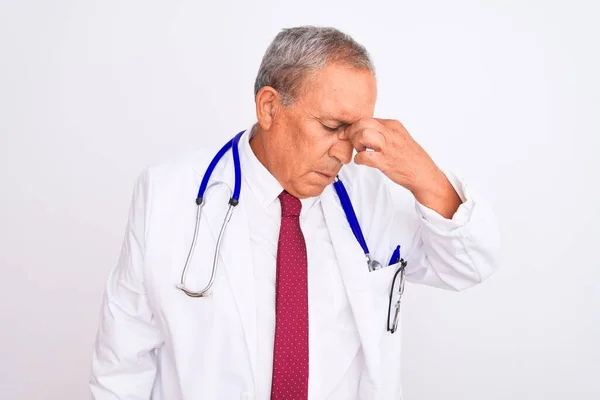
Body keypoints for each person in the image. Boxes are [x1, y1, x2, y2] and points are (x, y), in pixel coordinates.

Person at [90, 26, 500, 400]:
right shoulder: (167, 195)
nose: (345, 151)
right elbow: (122, 368)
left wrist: (421, 173)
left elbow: (468, 265)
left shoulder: (371, 195)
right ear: (269, 108)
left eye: (355, 131)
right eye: (331, 126)